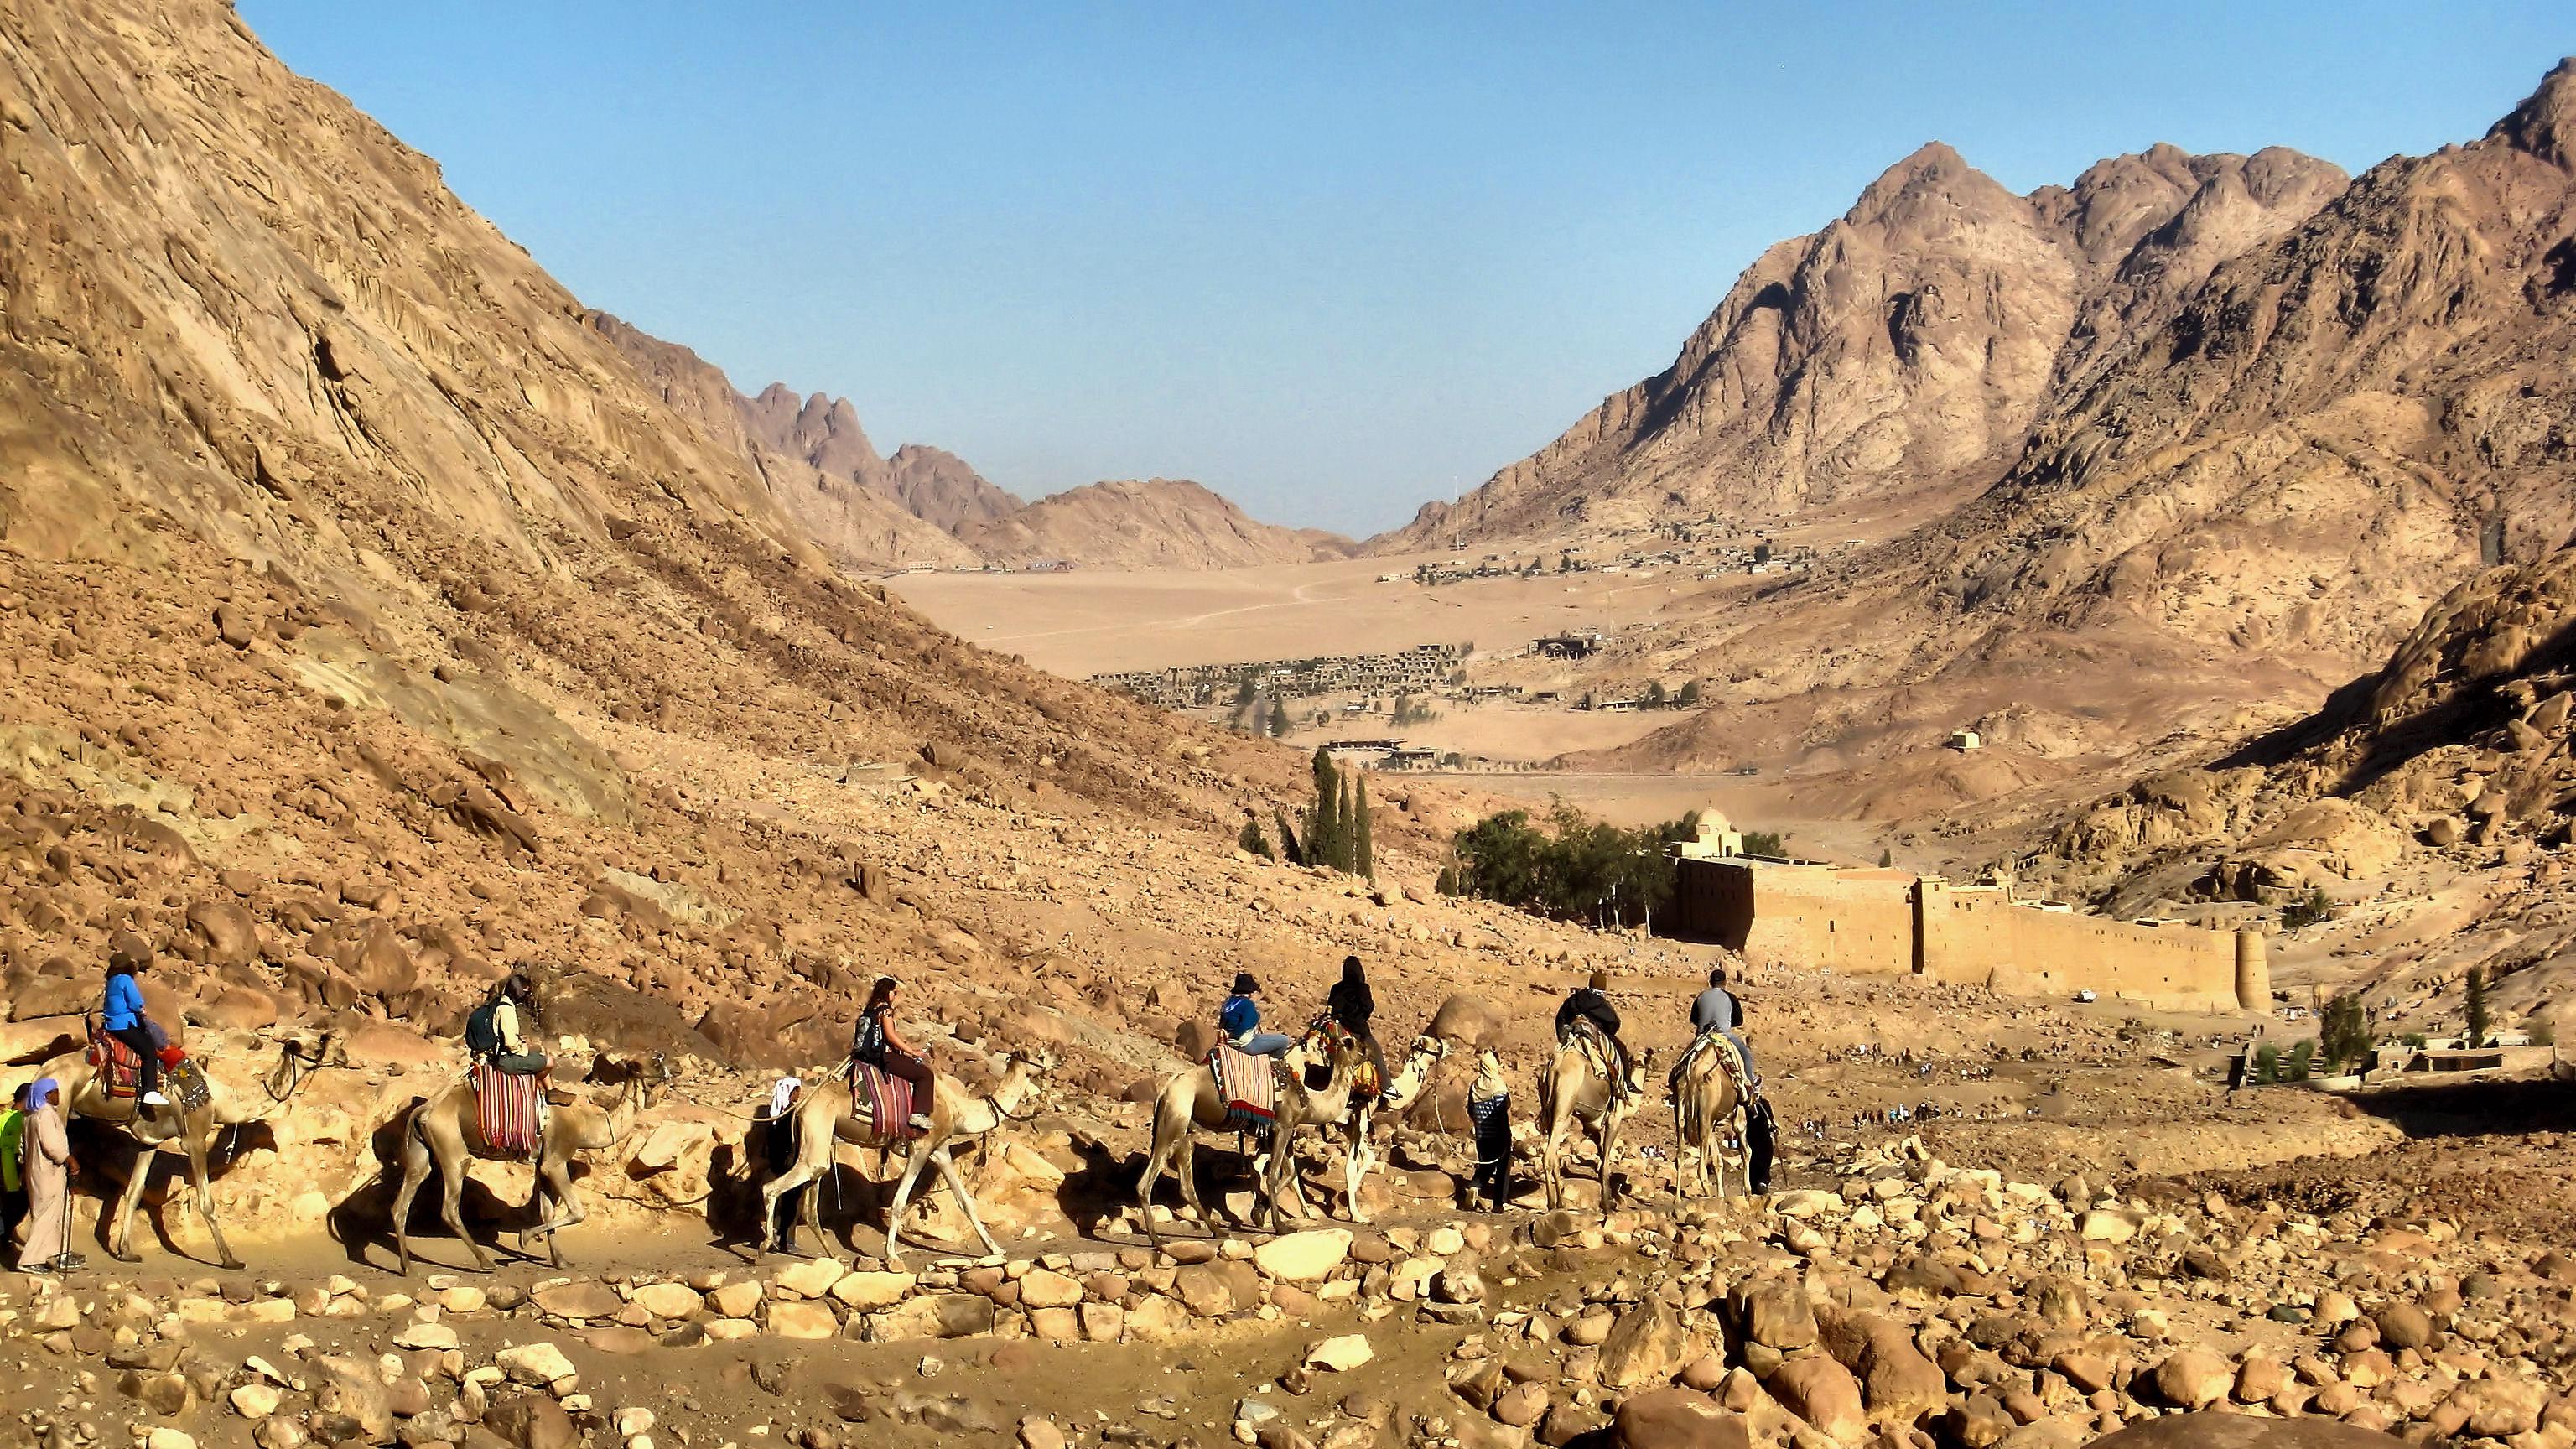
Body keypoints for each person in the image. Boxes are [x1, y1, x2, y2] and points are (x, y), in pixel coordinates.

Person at [852, 978, 936, 1131]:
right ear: (888, 992)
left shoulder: (871, 1008)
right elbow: (890, 1036)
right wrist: (912, 1052)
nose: (895, 996)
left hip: (866, 1055)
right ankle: (917, 1114)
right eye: (894, 992)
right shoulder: (885, 1010)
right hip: (882, 1057)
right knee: (925, 1075)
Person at [102, 943, 169, 1108]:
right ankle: (150, 1091)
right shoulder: (125, 979)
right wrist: (141, 1009)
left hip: (111, 1024)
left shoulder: (112, 981)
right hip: (124, 1024)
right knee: (149, 1052)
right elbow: (136, 1002)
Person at [17, 1078, 71, 1274]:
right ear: (47, 1094)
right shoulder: (45, 1114)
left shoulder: (30, 1116)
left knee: (51, 1214)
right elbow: (52, 1145)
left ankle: (53, 1254)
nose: (58, 1095)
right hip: (47, 1171)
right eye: (55, 1091)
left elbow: (22, 1148)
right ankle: (29, 1260)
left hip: (36, 1171)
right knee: (46, 1216)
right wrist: (68, 1158)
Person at [1555, 970, 1631, 1095]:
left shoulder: (1575, 998)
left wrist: (1562, 1035)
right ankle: (1626, 1082)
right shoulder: (1601, 1003)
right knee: (1621, 1049)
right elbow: (1614, 1022)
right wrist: (1607, 1032)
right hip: (1594, 1031)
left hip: (1574, 1030)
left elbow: (1561, 1017)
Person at [1327, 956, 1390, 1103]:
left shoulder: (1336, 988)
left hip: (1337, 1029)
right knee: (1377, 1051)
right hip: (1358, 1031)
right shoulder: (1362, 989)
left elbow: (1331, 1008)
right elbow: (1368, 1008)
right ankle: (1387, 1087)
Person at [466, 972, 550, 1075]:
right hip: (504, 1060)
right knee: (549, 1061)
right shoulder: (506, 1010)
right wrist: (524, 1048)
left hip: (493, 1053)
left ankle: (547, 1088)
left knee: (538, 1051)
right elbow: (511, 1044)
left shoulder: (497, 1003)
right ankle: (540, 1086)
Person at [756, 1077, 807, 1247]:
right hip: (791, 1164)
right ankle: (787, 1241)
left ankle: (777, 1235)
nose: (800, 1094)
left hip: (777, 1164)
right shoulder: (792, 1113)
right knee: (793, 1201)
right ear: (792, 1092)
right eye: (798, 1091)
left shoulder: (775, 1113)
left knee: (780, 1200)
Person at [1463, 1049, 1512, 1213]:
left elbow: (1470, 1110)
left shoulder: (1475, 1086)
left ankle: (1475, 1185)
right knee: (1503, 1167)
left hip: (1482, 1135)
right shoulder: (1498, 1086)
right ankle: (1499, 1203)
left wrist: (1478, 1124)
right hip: (1499, 1133)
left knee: (1486, 1164)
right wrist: (1506, 1136)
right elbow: (1502, 1112)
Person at [1217, 972, 1292, 1058]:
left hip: (1230, 1041)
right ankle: (1274, 1065)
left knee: (1262, 1038)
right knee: (1284, 1041)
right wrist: (1232, 1035)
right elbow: (1245, 1025)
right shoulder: (1247, 1004)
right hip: (1243, 1044)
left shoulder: (1229, 1001)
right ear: (1249, 991)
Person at [0, 1083, 27, 1259]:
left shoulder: (3, 1118)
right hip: (12, 1170)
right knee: (19, 1205)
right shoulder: (24, 1120)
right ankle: (4, 1239)